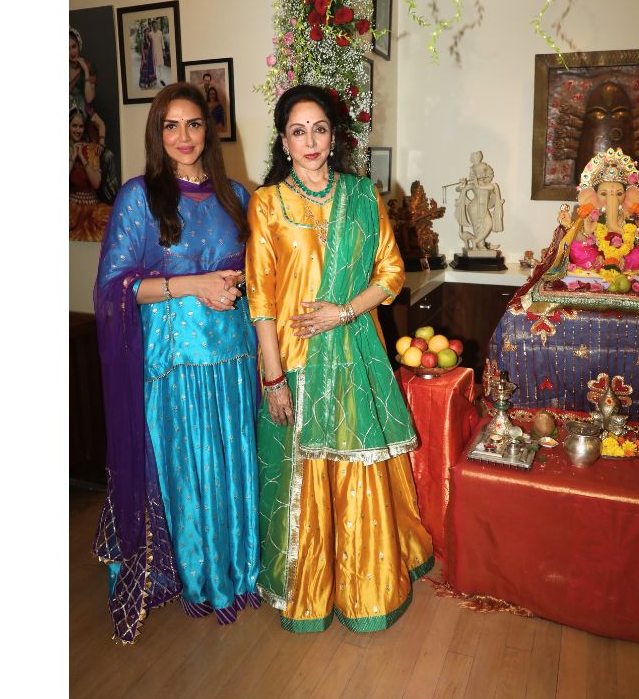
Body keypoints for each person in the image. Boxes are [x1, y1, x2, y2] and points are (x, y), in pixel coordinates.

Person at [246, 84, 434, 634]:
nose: (310, 141)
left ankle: (364, 590)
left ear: (334, 137)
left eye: (319, 129)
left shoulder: (362, 195)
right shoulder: (267, 204)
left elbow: (391, 274)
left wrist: (344, 312)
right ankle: (310, 592)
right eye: (298, 131)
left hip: (354, 355)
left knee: (355, 474)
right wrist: (273, 377)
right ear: (284, 142)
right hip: (296, 362)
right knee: (303, 480)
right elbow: (261, 298)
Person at [92, 82, 261, 641]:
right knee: (190, 469)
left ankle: (239, 570)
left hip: (232, 359)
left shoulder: (236, 195)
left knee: (232, 464)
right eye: (171, 125)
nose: (183, 136)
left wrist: (235, 285)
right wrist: (194, 284)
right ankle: (196, 576)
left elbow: (257, 272)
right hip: (176, 365)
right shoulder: (140, 197)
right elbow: (116, 286)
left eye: (193, 124)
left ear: (208, 131)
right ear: (157, 133)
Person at [69, 104, 114, 241]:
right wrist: (73, 157)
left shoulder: (92, 149)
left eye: (81, 126)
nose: (78, 130)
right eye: (74, 126)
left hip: (93, 210)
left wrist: (82, 157)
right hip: (71, 209)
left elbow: (96, 183)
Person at [70, 28, 95, 115]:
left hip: (83, 112)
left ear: (79, 45)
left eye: (74, 46)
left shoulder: (89, 67)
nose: (71, 52)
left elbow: (89, 98)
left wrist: (85, 70)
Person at [138, 24, 156, 90]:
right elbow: (142, 49)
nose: (147, 32)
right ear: (144, 32)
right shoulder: (143, 39)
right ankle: (144, 84)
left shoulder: (150, 39)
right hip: (145, 56)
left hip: (150, 56)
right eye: (146, 31)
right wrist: (144, 58)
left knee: (150, 69)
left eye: (148, 31)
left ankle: (150, 83)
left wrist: (153, 56)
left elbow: (152, 47)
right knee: (144, 69)